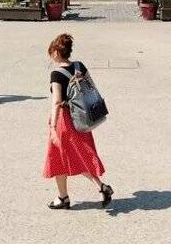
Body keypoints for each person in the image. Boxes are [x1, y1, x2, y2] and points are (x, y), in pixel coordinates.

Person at [44, 33, 113, 210]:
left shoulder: (56, 74)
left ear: (56, 53)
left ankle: (63, 197)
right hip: (82, 118)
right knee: (82, 155)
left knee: (58, 157)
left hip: (65, 122)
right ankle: (101, 187)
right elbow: (91, 86)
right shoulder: (79, 66)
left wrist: (52, 127)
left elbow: (57, 102)